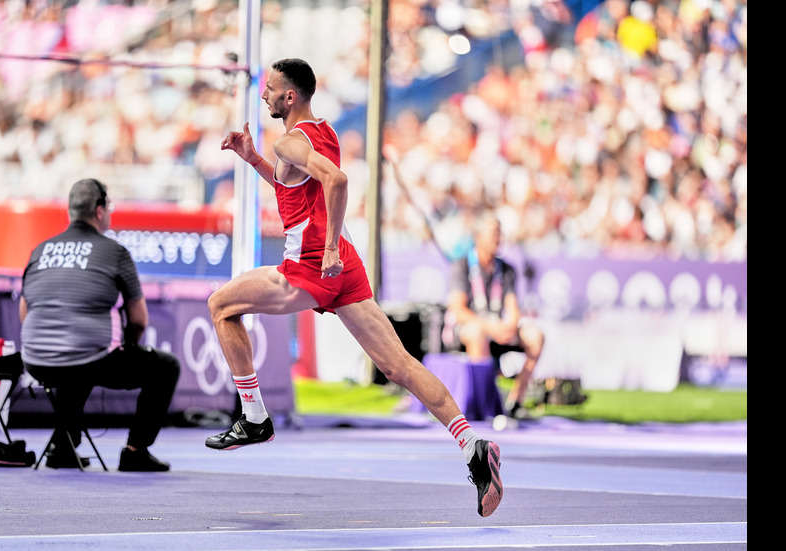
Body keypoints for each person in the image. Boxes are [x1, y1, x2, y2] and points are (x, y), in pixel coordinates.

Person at [214, 58, 503, 517]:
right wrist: (253, 159)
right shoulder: (322, 131)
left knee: (219, 305)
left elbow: (337, 181)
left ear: (290, 97)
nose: (264, 95)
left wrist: (327, 248)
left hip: (312, 266)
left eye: (270, 89)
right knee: (399, 366)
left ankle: (253, 416)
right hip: (344, 268)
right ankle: (472, 445)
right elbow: (296, 187)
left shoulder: (291, 140)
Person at [19, 178, 181, 472]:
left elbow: (24, 312)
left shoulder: (40, 250)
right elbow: (139, 319)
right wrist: (128, 346)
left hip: (35, 360)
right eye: (109, 207)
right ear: (98, 210)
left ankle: (63, 446)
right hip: (87, 359)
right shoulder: (115, 252)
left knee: (75, 354)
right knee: (165, 366)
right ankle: (135, 451)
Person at [444, 214, 545, 427]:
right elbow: (458, 309)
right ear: (479, 237)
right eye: (493, 234)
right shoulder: (462, 266)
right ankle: (485, 405)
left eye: (500, 233)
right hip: (468, 329)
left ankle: (516, 402)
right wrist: (490, 327)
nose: (498, 239)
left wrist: (510, 325)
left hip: (497, 328)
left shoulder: (506, 269)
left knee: (535, 336)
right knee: (477, 333)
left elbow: (512, 307)